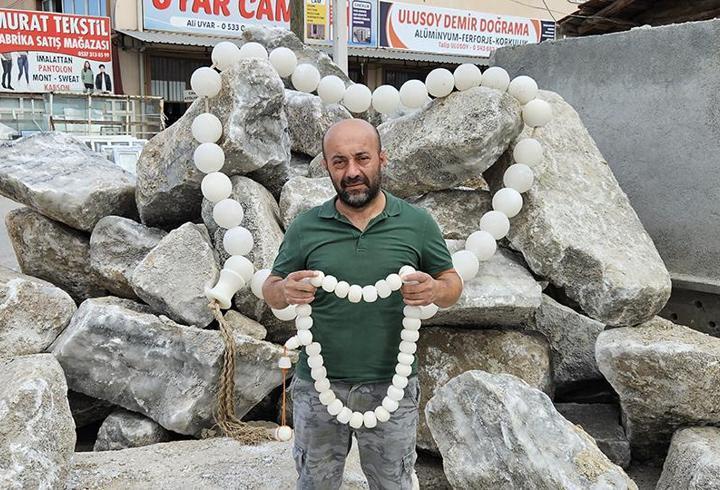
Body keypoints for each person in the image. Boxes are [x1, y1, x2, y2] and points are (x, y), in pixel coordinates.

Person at [263, 119, 463, 489]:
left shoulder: (416, 224)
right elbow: (272, 287)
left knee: (393, 483)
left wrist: (434, 290)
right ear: (327, 167)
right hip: (317, 387)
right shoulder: (306, 227)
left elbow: (452, 284)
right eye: (339, 162)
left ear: (381, 159)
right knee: (315, 482)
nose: (352, 171)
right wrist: (284, 291)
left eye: (361, 158)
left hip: (392, 386)